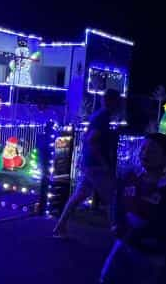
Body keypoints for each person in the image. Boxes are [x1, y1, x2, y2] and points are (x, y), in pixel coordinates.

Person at [100, 133, 166, 284]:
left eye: (152, 151)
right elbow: (118, 202)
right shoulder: (130, 178)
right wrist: (116, 224)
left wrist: (136, 234)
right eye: (143, 148)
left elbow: (165, 224)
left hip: (149, 253)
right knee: (108, 278)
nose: (145, 153)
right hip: (123, 243)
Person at [54, 89, 121, 237]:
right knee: (112, 196)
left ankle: (60, 225)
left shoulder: (98, 116)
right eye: (118, 101)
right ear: (114, 101)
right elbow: (92, 139)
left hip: (89, 161)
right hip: (96, 164)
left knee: (79, 195)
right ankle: (118, 234)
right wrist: (103, 162)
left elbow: (87, 137)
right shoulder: (103, 117)